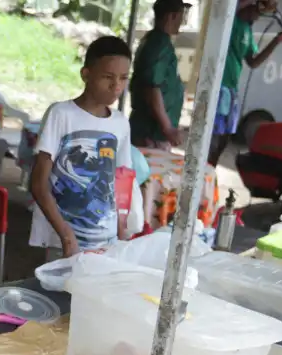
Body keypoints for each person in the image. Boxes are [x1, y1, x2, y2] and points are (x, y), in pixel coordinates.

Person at [29, 36, 134, 260]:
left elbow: (122, 179)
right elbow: (38, 183)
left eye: (123, 78)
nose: (116, 86)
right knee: (60, 290)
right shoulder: (61, 114)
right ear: (86, 74)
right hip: (63, 238)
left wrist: (122, 227)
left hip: (105, 239)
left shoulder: (121, 123)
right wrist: (66, 236)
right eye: (108, 77)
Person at [207, 0, 282, 166]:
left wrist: (277, 40)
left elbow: (253, 62)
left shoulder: (247, 29)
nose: (259, 16)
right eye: (259, 11)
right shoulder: (229, 22)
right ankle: (203, 171)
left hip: (231, 88)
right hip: (218, 86)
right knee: (213, 136)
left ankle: (210, 170)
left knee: (225, 137)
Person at [129, 0, 190, 149]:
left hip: (151, 130)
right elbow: (152, 88)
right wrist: (168, 128)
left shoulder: (155, 40)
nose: (182, 21)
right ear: (172, 16)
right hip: (150, 132)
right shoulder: (159, 43)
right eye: (181, 16)